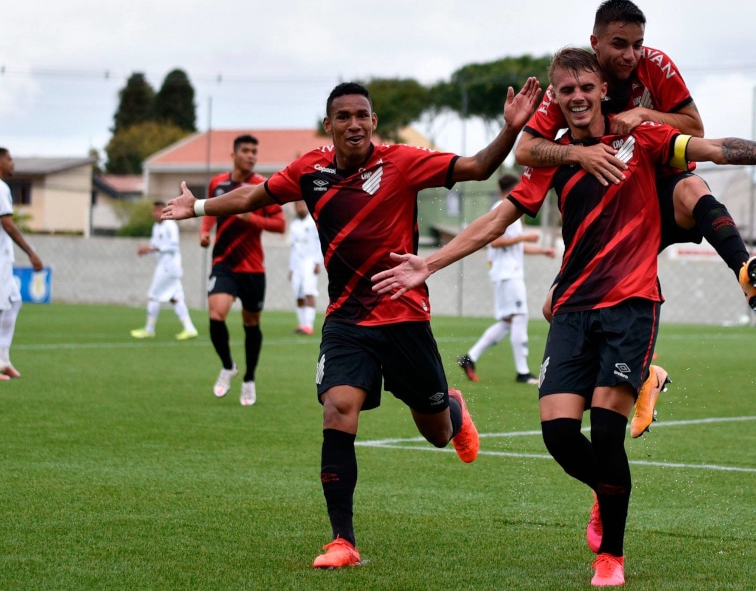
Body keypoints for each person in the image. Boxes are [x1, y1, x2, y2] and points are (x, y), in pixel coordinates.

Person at [372, 48, 756, 587]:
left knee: (605, 431)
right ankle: (607, 490)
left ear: (604, 90)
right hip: (573, 310)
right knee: (556, 435)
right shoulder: (550, 159)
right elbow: (497, 218)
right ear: (555, 97)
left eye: (585, 87)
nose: (576, 97)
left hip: (630, 306)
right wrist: (430, 263)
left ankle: (612, 558)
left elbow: (714, 148)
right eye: (566, 90)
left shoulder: (644, 139)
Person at [163, 78, 542, 569]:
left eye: (362, 115)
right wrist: (195, 207)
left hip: (404, 317)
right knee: (338, 409)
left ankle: (452, 408)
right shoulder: (310, 170)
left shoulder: (402, 161)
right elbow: (252, 198)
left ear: (373, 122)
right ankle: (343, 540)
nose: (354, 124)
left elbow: (478, 167)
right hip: (346, 320)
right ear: (330, 125)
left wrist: (509, 130)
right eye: (343, 116)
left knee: (435, 433)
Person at [515, 0, 756, 315]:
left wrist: (643, 113)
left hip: (662, 192)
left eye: (638, 44)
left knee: (693, 187)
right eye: (620, 44)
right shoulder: (575, 83)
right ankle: (641, 369)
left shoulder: (655, 64)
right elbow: (525, 150)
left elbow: (696, 129)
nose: (631, 55)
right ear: (595, 42)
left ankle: (745, 271)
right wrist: (578, 155)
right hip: (612, 206)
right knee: (553, 309)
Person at [199, 135, 286, 406]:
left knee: (251, 324)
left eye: (254, 151)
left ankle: (249, 379)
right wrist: (204, 232)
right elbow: (211, 212)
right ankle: (228, 366)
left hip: (252, 267)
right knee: (216, 314)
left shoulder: (262, 186)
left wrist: (252, 218)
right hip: (223, 262)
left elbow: (280, 224)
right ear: (234, 154)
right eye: (246, 151)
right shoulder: (218, 183)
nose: (250, 155)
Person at [457, 173, 556, 385]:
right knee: (520, 316)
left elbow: (514, 245)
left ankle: (470, 358)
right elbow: (495, 242)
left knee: (508, 322)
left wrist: (541, 251)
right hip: (506, 273)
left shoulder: (510, 209)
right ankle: (522, 372)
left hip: (506, 272)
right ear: (512, 189)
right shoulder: (503, 208)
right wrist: (525, 236)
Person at [0, 148, 44, 380]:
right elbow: (8, 224)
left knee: (14, 301)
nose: (13, 164)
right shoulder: (0, 187)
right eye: (9, 159)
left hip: (4, 261)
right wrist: (31, 252)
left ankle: (3, 359)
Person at [130, 201, 199, 340]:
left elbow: (173, 246)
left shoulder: (170, 226)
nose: (155, 213)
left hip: (169, 267)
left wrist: (151, 249)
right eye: (153, 211)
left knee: (154, 296)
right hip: (165, 266)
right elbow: (156, 247)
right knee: (176, 299)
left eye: (158, 210)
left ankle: (149, 329)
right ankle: (190, 329)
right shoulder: (156, 227)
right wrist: (146, 251)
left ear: (165, 211)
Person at [288, 200, 324, 335]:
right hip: (297, 264)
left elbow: (319, 243)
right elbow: (293, 248)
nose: (301, 207)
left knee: (309, 292)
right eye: (299, 205)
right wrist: (291, 268)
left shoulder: (313, 223)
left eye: (303, 205)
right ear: (295, 208)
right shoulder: (294, 226)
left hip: (310, 262)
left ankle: (309, 325)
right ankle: (302, 324)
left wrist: (317, 262)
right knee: (298, 294)